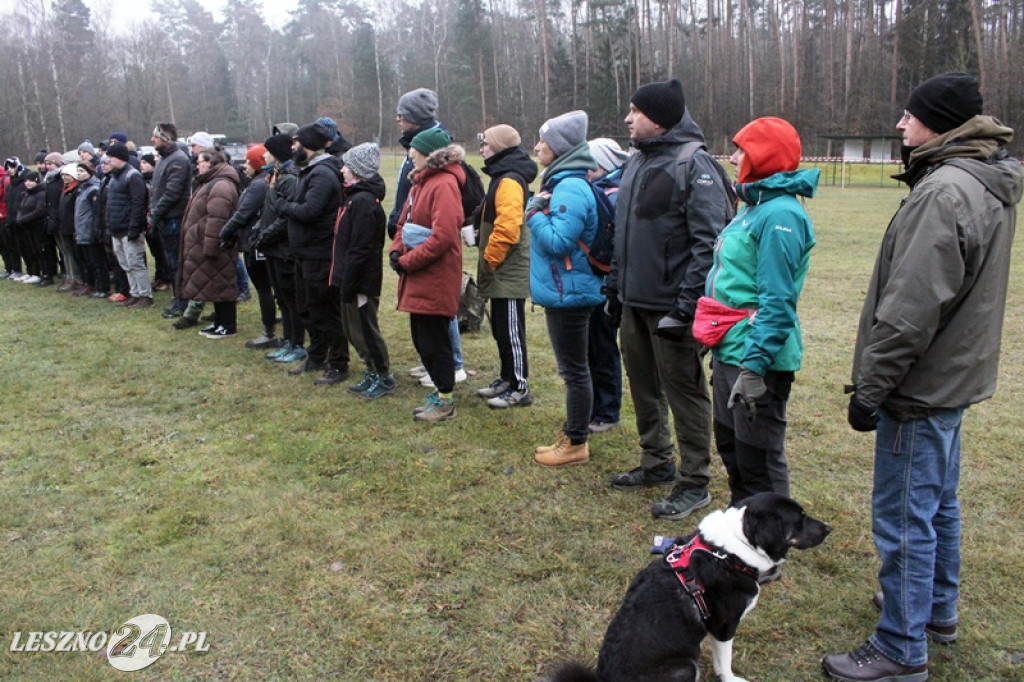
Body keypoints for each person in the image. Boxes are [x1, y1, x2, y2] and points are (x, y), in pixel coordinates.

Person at [823, 73, 1021, 682]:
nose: (902, 126)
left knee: (905, 515)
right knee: (937, 505)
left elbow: (910, 311)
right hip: (950, 380)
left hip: (921, 386)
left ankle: (900, 648)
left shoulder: (946, 192)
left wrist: (873, 388)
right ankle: (935, 610)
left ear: (939, 124)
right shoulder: (977, 182)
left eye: (910, 117)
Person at [606, 78, 735, 520]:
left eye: (635, 111)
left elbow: (709, 243)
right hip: (634, 302)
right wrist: (615, 288)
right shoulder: (637, 161)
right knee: (643, 387)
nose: (627, 118)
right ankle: (656, 461)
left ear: (658, 118)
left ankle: (695, 480)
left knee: (684, 393)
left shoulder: (694, 165)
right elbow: (625, 232)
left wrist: (686, 307)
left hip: (672, 309)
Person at [703, 117, 817, 510]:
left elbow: (777, 301)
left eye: (742, 150)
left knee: (759, 456)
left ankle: (771, 543)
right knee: (732, 446)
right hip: (729, 347)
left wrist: (755, 367)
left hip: (757, 357)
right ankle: (744, 528)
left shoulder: (780, 216)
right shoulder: (752, 207)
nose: (733, 158)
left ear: (764, 156)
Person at [528, 111, 604, 467]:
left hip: (569, 291)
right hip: (566, 289)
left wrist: (533, 215)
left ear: (559, 146)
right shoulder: (564, 181)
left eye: (543, 140)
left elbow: (559, 243)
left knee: (574, 370)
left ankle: (576, 443)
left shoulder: (570, 186)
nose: (537, 145)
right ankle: (573, 433)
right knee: (576, 368)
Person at [389, 88, 468, 386]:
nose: (410, 154)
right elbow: (404, 219)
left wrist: (408, 261)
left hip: (431, 271)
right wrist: (397, 250)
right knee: (424, 338)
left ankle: (445, 392)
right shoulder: (420, 181)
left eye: (415, 151)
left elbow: (445, 235)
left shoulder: (443, 185)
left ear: (428, 155)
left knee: (436, 339)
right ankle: (438, 382)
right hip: (418, 270)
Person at [276, 122, 349, 383]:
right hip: (304, 252)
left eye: (296, 143)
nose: (293, 147)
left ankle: (338, 363)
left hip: (319, 252)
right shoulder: (310, 171)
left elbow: (309, 211)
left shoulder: (322, 174)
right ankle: (317, 355)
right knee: (308, 307)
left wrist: (283, 206)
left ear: (307, 146)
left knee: (325, 310)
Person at [473, 124, 536, 409]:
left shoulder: (509, 179)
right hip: (500, 270)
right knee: (500, 328)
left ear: (499, 147)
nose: (482, 148)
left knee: (511, 330)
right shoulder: (500, 176)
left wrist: (490, 259)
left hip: (506, 271)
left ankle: (520, 387)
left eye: (486, 143)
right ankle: (506, 378)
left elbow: (509, 228)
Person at [332, 143, 394, 399]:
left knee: (366, 329)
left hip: (360, 281)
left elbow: (360, 249)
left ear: (358, 170)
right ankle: (370, 370)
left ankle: (383, 375)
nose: (342, 169)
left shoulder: (364, 203)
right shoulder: (352, 199)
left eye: (347, 165)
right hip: (348, 277)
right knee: (352, 330)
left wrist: (350, 282)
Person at [585, 138, 629, 433]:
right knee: (592, 345)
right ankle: (594, 407)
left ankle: (607, 410)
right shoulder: (600, 191)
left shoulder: (613, 196)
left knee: (602, 346)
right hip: (596, 281)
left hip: (606, 282)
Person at [219, 144, 279, 349]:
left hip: (255, 244)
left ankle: (268, 332)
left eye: (248, 161)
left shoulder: (259, 186)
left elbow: (243, 213)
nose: (244, 165)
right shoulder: (259, 183)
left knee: (263, 288)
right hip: (254, 242)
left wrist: (225, 231)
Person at [255, 133, 307, 364]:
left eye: (267, 151)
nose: (264, 155)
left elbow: (285, 217)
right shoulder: (278, 175)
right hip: (273, 248)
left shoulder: (290, 178)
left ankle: (297, 343)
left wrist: (266, 235)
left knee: (290, 299)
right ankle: (287, 340)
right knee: (282, 299)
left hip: (284, 249)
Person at [179, 149, 241, 338]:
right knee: (214, 285)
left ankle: (227, 325)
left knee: (222, 285)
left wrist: (211, 245)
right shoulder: (210, 182)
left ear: (210, 162)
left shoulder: (221, 185)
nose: (197, 164)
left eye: (200, 161)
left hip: (215, 246)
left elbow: (218, 219)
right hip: (205, 244)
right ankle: (219, 322)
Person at [150, 122, 193, 318]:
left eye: (156, 137)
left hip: (173, 218)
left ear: (166, 138)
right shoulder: (164, 160)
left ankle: (182, 301)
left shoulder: (178, 160)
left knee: (177, 262)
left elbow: (172, 193)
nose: (152, 140)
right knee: (170, 261)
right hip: (164, 218)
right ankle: (178, 298)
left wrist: (155, 213)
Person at [105, 142, 153, 308]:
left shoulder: (133, 176)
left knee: (135, 264)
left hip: (129, 229)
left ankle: (145, 295)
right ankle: (135, 293)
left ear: (120, 158)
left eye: (111, 157)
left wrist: (134, 228)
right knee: (125, 264)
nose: (108, 160)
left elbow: (138, 204)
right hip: (116, 229)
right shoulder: (114, 178)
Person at [71, 163, 108, 299]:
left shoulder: (93, 189)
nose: (79, 174)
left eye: (82, 171)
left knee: (98, 261)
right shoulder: (81, 189)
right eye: (78, 171)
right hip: (81, 231)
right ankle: (93, 285)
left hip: (90, 231)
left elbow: (96, 213)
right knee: (88, 261)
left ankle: (103, 287)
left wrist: (94, 230)